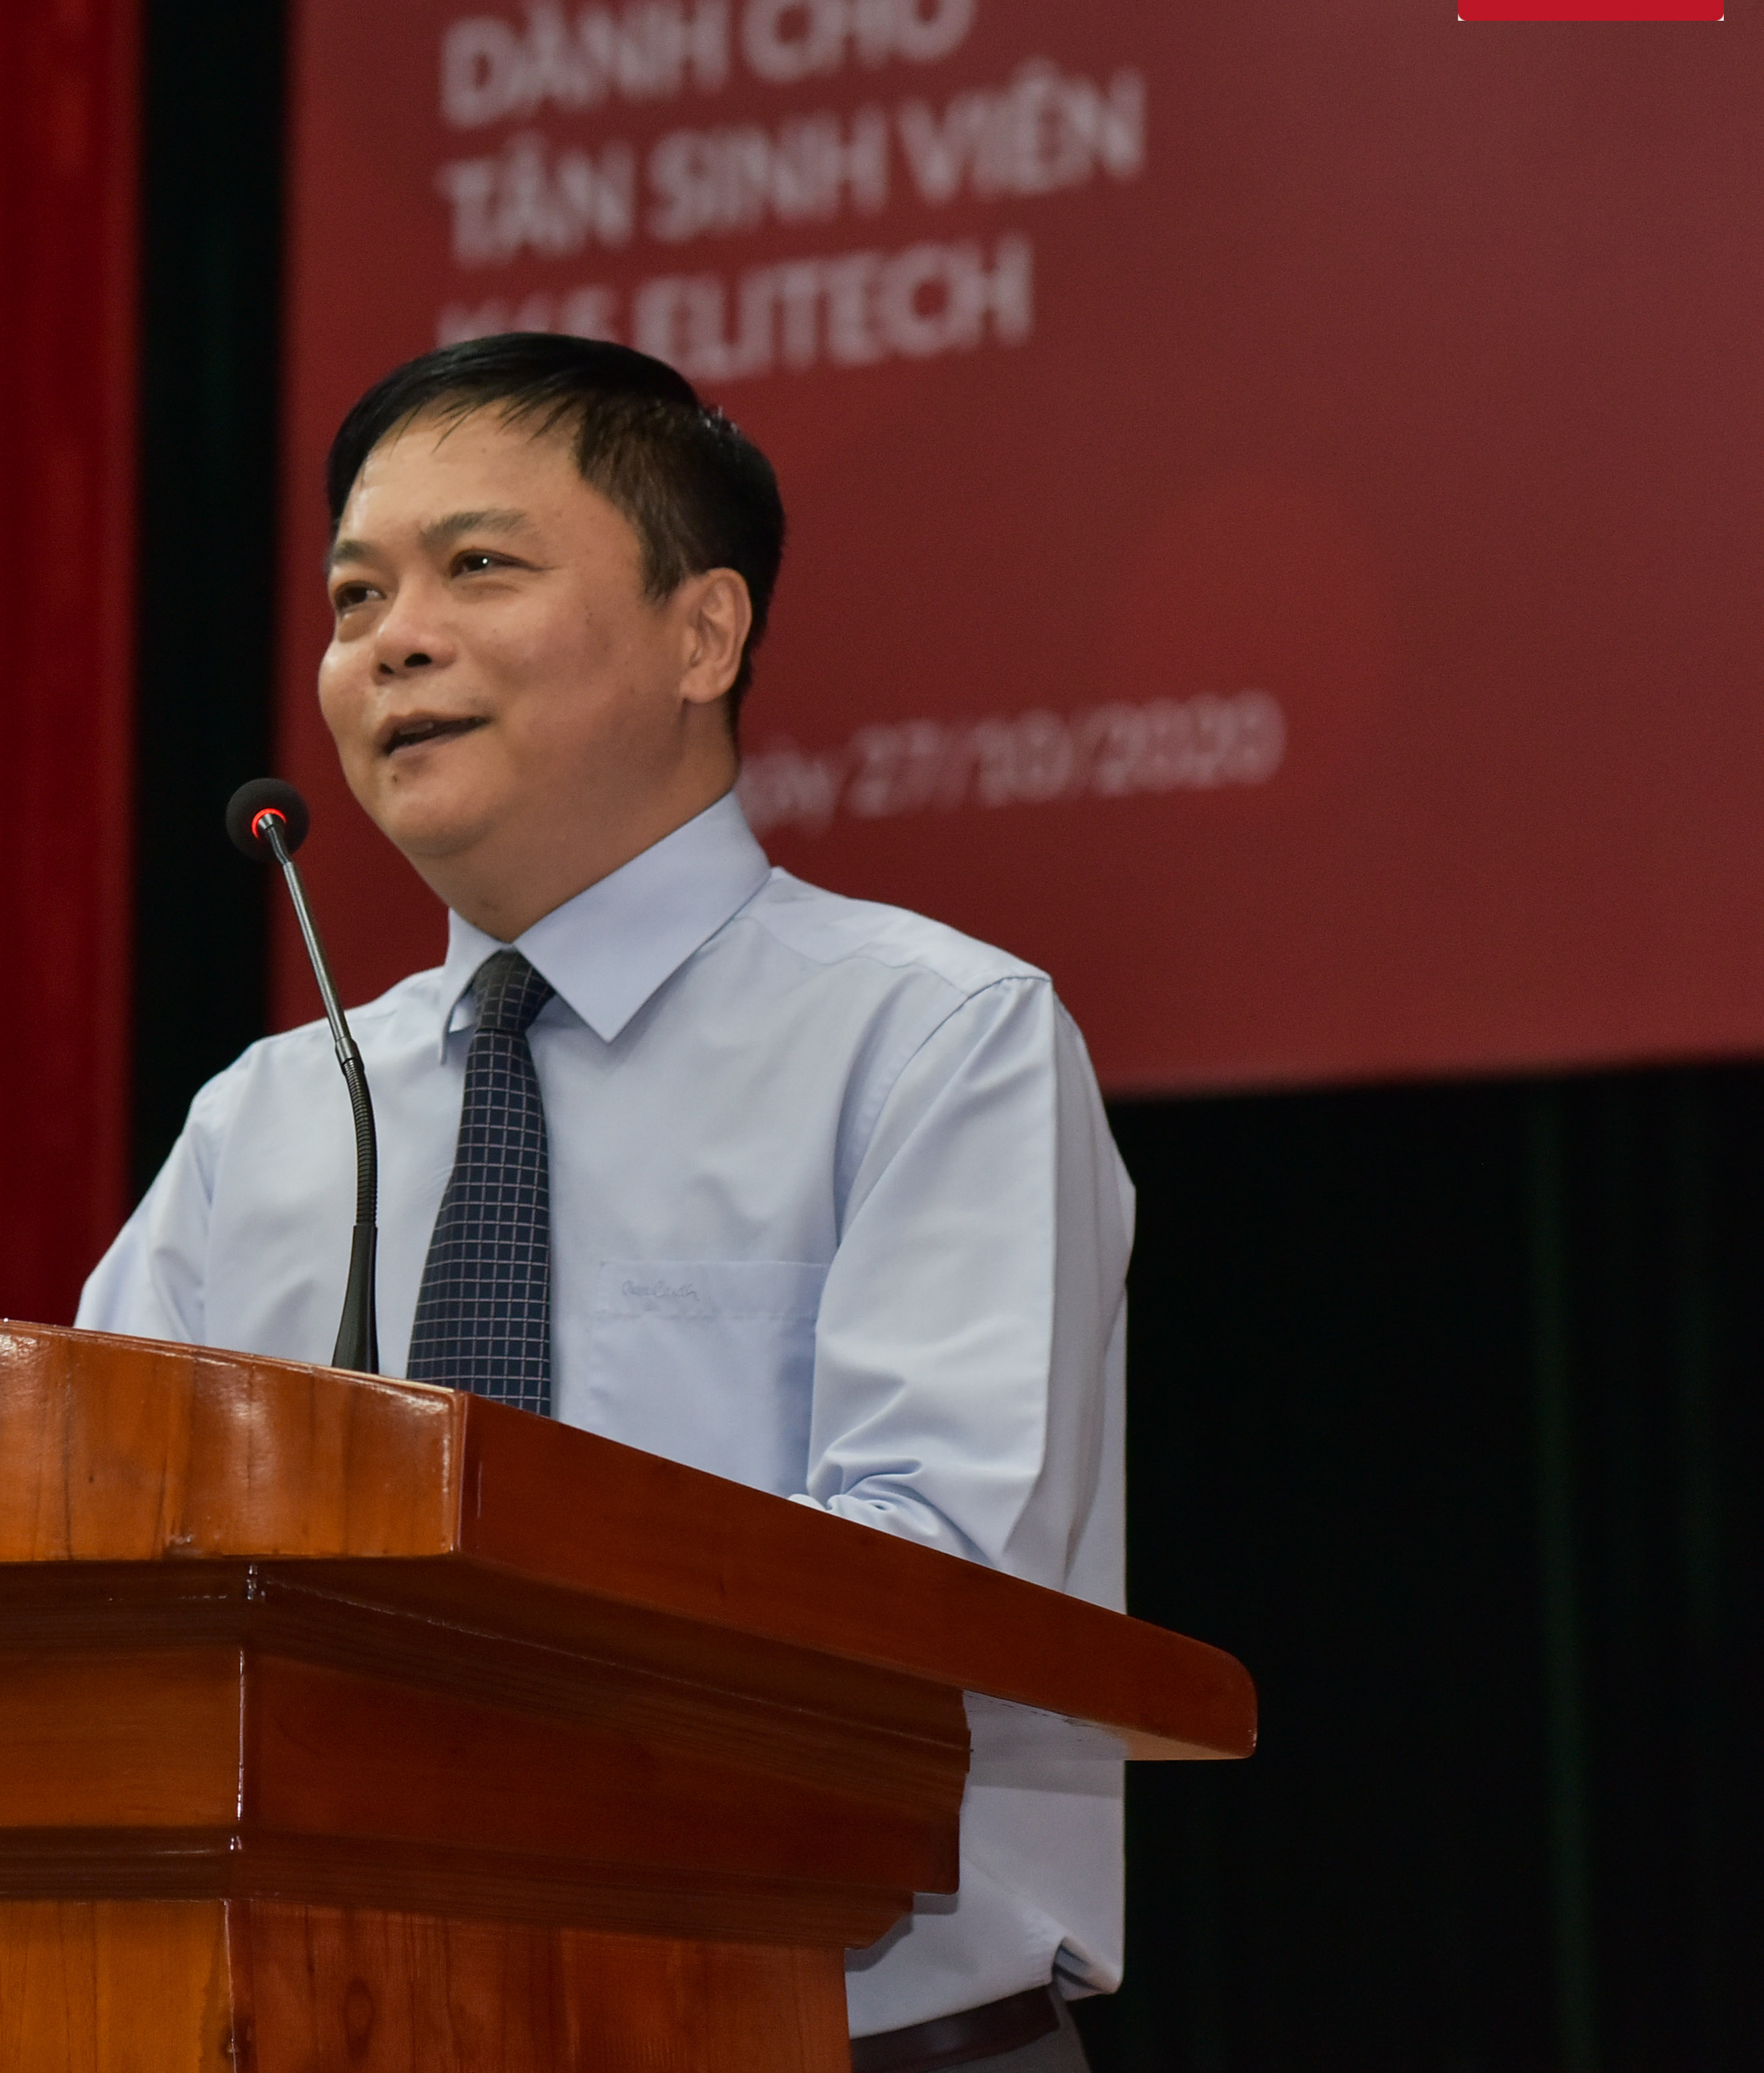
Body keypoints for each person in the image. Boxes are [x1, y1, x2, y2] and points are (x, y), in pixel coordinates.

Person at [78, 333, 1128, 2073]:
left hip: (831, 2034)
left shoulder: (931, 1039)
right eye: (354, 596)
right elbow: (95, 1570)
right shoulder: (264, 1118)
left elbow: (932, 1576)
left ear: (701, 634)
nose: (391, 638)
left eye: (477, 566)